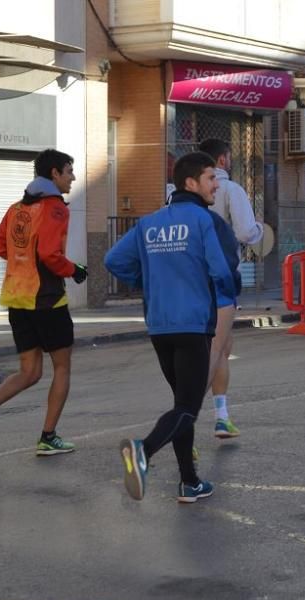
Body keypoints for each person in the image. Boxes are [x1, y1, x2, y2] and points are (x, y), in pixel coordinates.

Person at [105, 151, 238, 504]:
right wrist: (224, 292)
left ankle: (189, 482)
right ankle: (142, 450)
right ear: (191, 183)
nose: (215, 185)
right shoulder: (201, 220)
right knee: (187, 408)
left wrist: (146, 282)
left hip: (160, 326)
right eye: (212, 178)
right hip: (193, 323)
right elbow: (221, 270)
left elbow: (112, 260)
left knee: (182, 405)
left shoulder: (149, 223)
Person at [0, 149, 87, 457]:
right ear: (54, 174)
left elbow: (0, 247)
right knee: (62, 368)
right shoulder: (55, 208)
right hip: (47, 299)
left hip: (16, 300)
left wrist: (24, 264)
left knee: (30, 371)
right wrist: (74, 271)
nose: (73, 177)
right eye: (69, 171)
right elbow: (49, 254)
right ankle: (48, 436)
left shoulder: (16, 208)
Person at [197, 138, 264, 439]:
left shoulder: (179, 194)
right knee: (217, 348)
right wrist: (261, 230)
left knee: (220, 347)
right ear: (222, 160)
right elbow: (246, 232)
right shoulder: (231, 189)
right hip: (220, 277)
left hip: (189, 279)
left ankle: (220, 415)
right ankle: (189, 417)